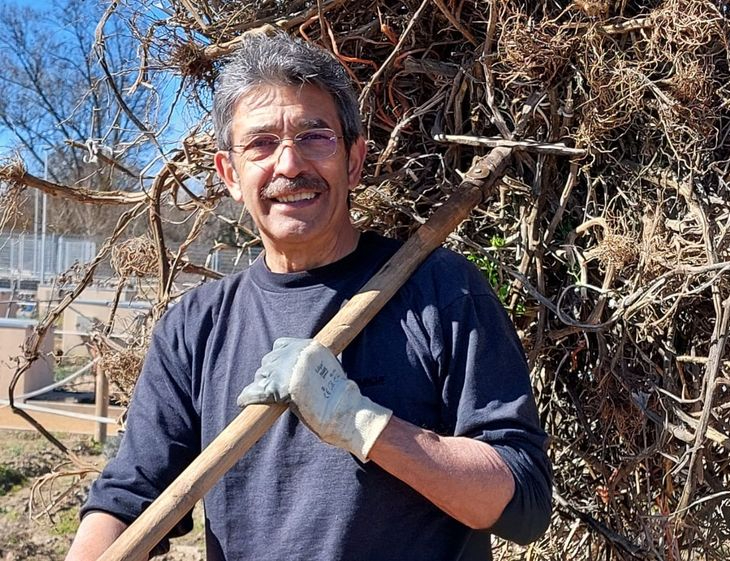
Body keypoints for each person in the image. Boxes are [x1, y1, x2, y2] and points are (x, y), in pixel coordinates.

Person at [66, 32, 552, 561]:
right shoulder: (196, 328)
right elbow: (131, 498)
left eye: (315, 136)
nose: (289, 164)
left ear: (355, 160)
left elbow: (521, 503)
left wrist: (361, 422)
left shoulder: (441, 292)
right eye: (260, 143)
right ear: (229, 174)